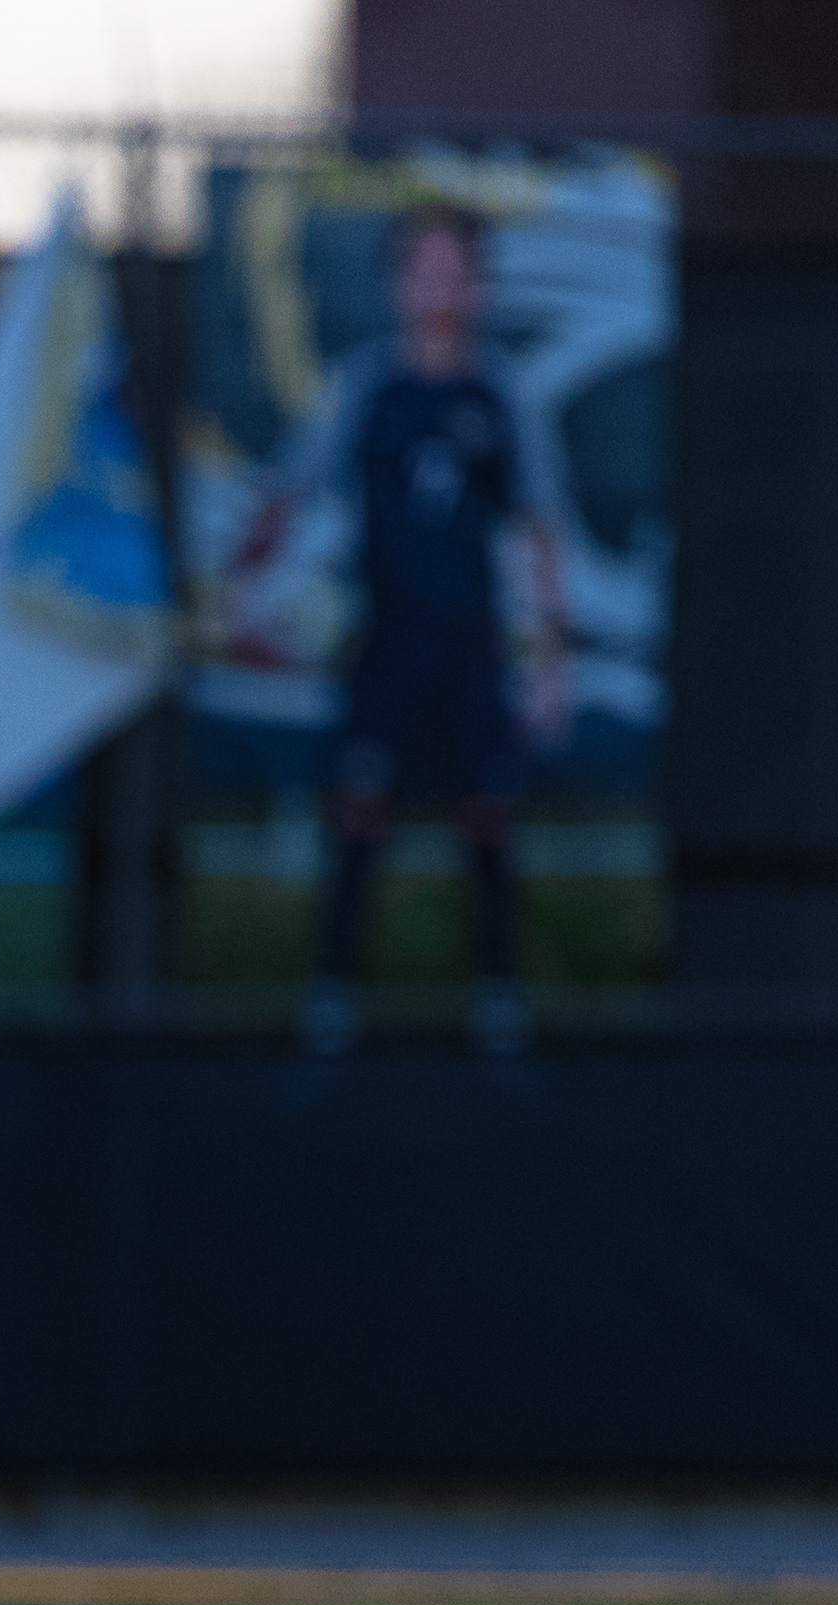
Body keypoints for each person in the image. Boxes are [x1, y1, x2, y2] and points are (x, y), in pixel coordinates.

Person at [299, 204, 568, 1059]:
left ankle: (499, 997)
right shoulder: (362, 389)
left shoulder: (503, 394)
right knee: (359, 811)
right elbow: (295, 502)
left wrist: (549, 661)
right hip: (381, 645)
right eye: (427, 269)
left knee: (487, 815)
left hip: (473, 649)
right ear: (399, 283)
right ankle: (332, 999)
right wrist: (267, 595)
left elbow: (538, 529)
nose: (443, 287)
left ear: (479, 285)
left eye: (459, 270)